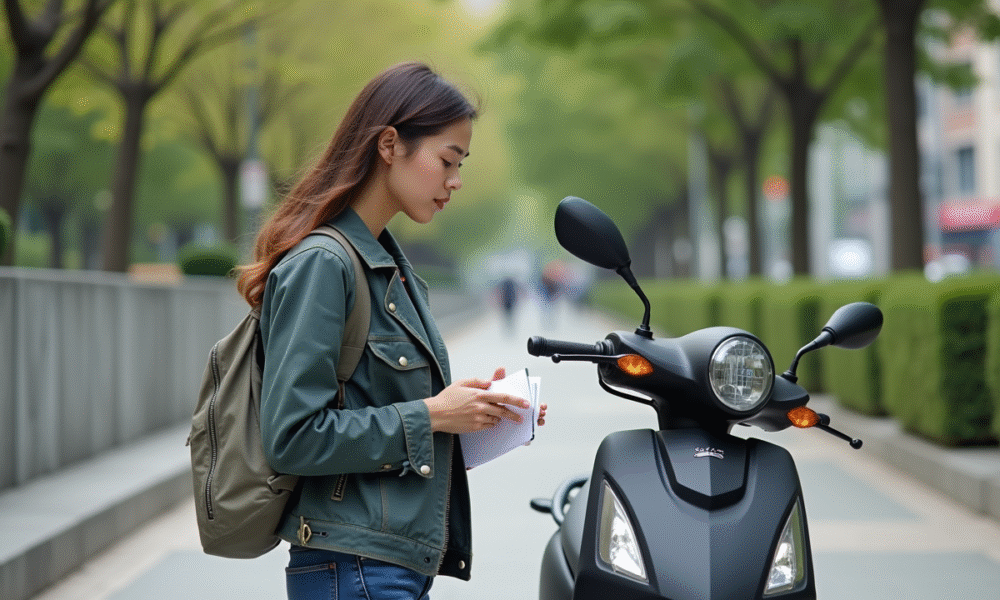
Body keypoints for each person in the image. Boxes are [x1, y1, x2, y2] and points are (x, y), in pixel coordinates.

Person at [236, 62, 546, 600]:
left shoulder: (388, 268)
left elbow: (377, 420)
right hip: (353, 567)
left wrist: (473, 418)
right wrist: (432, 414)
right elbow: (291, 438)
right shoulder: (324, 265)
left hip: (384, 566)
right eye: (448, 160)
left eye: (461, 163)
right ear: (388, 145)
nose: (456, 181)